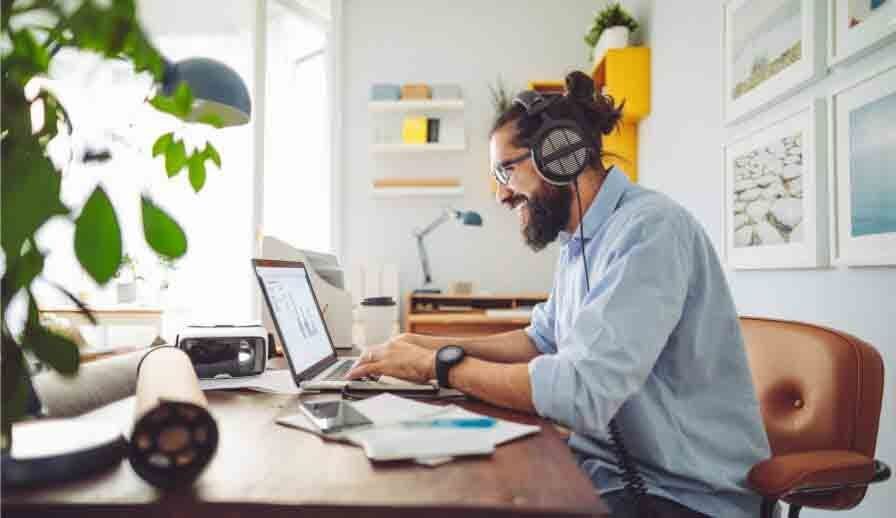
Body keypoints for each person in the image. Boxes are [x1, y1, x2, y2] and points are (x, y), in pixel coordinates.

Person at [347, 70, 770, 518]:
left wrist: (438, 366)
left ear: (560, 155)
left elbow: (580, 393)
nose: (500, 194)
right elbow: (541, 340)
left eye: (505, 170)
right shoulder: (579, 241)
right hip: (602, 470)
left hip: (683, 495)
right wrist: (426, 347)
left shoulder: (650, 231)